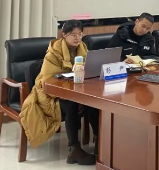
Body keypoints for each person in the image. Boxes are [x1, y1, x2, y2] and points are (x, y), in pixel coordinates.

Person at [20, 20, 99, 165]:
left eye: (80, 34)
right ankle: (74, 149)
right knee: (71, 105)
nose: (77, 38)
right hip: (48, 94)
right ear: (64, 35)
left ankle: (100, 141)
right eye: (73, 35)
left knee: (93, 102)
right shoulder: (53, 53)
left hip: (73, 89)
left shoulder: (83, 48)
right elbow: (47, 80)